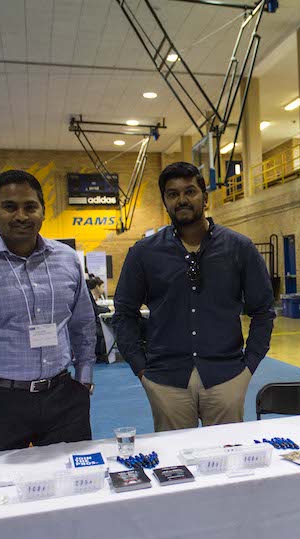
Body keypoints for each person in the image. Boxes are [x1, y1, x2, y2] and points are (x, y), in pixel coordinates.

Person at [0, 169, 96, 462]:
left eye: (30, 206)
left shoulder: (67, 260)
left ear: (43, 211)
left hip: (63, 397)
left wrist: (83, 378)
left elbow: (83, 324)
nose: (21, 215)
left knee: (75, 484)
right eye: (10, 206)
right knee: (0, 492)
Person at [113, 162, 275, 432]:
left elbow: (263, 311)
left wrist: (248, 367)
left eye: (190, 191)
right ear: (165, 201)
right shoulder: (144, 253)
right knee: (175, 468)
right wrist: (142, 371)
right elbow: (124, 313)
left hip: (227, 377)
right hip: (165, 380)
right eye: (173, 194)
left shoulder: (239, 248)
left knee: (228, 461)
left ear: (205, 197)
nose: (182, 200)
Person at [87, 275, 111, 361]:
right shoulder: (88, 295)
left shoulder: (88, 294)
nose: (104, 289)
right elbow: (95, 309)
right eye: (103, 286)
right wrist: (108, 309)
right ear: (97, 286)